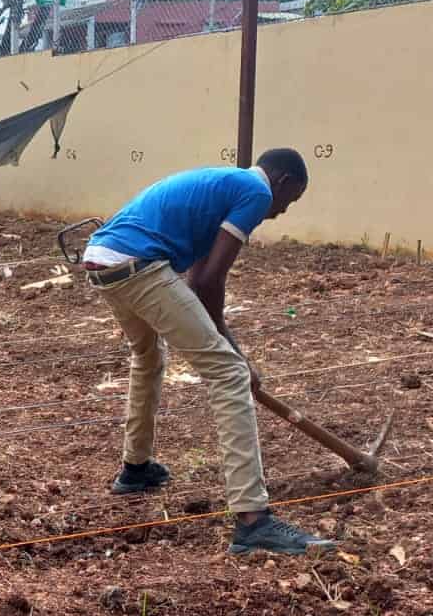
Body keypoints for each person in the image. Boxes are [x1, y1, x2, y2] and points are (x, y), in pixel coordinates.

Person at [82, 149, 333, 557]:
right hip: (139, 265)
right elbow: (210, 283)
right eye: (291, 200)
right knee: (229, 375)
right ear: (283, 181)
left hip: (103, 261)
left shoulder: (223, 186)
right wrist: (237, 356)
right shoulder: (255, 190)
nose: (283, 211)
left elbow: (199, 275)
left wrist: (229, 347)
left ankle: (136, 468)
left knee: (147, 357)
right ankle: (253, 520)